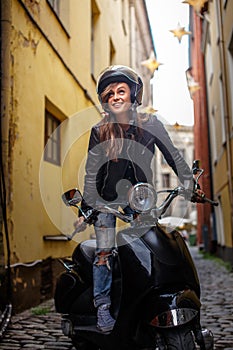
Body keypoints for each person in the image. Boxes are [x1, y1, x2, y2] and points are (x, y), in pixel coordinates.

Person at [75, 65, 203, 333]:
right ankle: (102, 306)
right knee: (104, 250)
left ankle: (149, 298)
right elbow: (92, 172)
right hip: (106, 199)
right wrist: (89, 206)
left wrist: (191, 185)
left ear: (134, 95)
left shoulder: (151, 124)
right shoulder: (100, 131)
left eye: (121, 90)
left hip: (141, 197)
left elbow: (174, 157)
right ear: (105, 101)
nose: (116, 97)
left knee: (152, 244)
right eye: (109, 94)